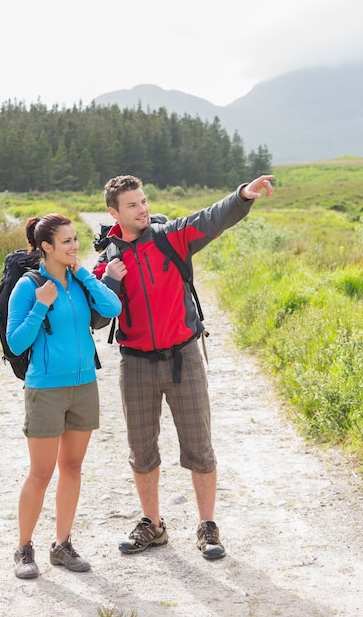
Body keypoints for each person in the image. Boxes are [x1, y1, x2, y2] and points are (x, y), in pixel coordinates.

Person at [93, 174, 274, 560]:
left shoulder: (169, 236)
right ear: (114, 212)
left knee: (199, 447)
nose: (142, 209)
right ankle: (152, 524)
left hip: (183, 358)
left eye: (143, 201)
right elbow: (96, 321)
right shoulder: (107, 259)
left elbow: (211, 217)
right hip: (135, 363)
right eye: (132, 205)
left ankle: (207, 526)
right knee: (141, 451)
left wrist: (243, 195)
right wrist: (110, 282)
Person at [7, 214, 122, 579]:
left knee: (72, 468)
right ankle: (24, 549)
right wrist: (41, 304)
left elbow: (112, 308)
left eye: (76, 239)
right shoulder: (28, 286)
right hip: (45, 389)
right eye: (67, 241)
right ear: (46, 247)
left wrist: (85, 274)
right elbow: (16, 342)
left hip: (84, 385)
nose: (74, 247)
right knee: (41, 473)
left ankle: (62, 545)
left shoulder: (79, 280)